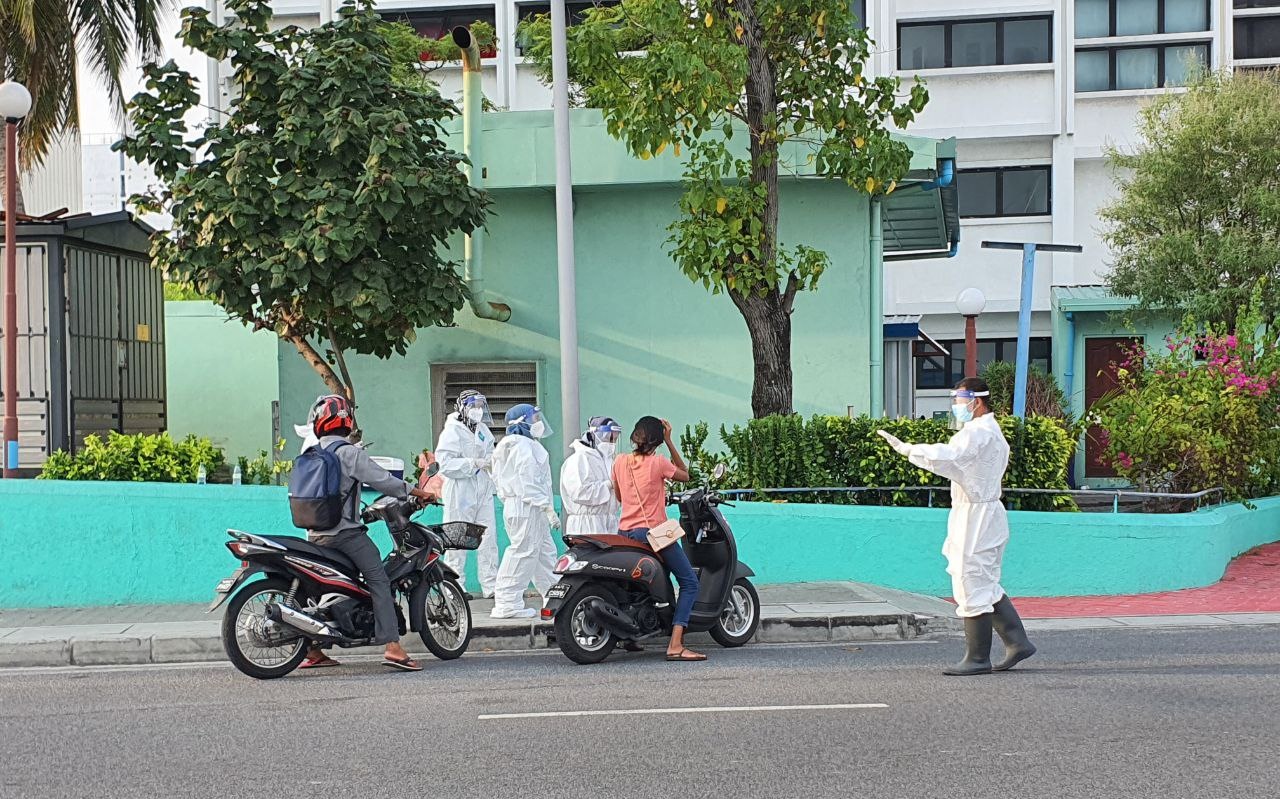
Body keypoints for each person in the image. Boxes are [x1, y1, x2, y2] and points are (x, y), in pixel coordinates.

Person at [877, 377, 1037, 676]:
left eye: (960, 400)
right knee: (982, 579)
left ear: (975, 401)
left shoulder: (977, 433)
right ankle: (1018, 642)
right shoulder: (986, 431)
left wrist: (910, 449)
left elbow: (949, 456)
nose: (956, 406)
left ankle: (977, 658)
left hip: (977, 515)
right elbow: (956, 463)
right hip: (981, 512)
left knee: (970, 578)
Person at [299, 395, 435, 672]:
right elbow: (382, 479)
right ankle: (393, 647)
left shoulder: (310, 453)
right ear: (346, 421)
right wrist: (417, 491)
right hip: (344, 535)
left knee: (314, 586)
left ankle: (313, 650)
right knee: (378, 579)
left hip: (314, 534)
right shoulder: (348, 452)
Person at [612, 416, 705, 662]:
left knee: (635, 586)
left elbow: (620, 497)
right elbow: (686, 475)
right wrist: (670, 440)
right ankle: (675, 644)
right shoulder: (659, 462)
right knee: (689, 582)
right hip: (653, 533)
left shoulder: (620, 461)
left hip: (625, 532)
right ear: (657, 440)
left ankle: (632, 637)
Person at [490, 404, 561, 619]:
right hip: (527, 505)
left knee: (543, 554)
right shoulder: (521, 446)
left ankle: (556, 598)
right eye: (534, 418)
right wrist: (546, 506)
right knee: (523, 552)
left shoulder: (515, 444)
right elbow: (528, 480)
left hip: (526, 506)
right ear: (522, 422)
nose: (538, 422)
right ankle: (507, 603)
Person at [435, 390, 500, 600]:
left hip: (482, 486)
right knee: (458, 536)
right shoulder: (452, 432)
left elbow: (491, 453)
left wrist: (491, 462)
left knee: (488, 537)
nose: (478, 410)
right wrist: (473, 464)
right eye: (474, 405)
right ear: (462, 407)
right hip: (459, 488)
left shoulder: (482, 430)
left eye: (481, 406)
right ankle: (456, 586)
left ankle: (490, 585)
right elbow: (444, 465)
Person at [560, 416, 623, 535]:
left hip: (609, 522)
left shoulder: (609, 461)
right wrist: (609, 484)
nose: (612, 444)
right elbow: (580, 492)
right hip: (586, 525)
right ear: (595, 435)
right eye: (610, 439)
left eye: (615, 439)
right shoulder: (579, 459)